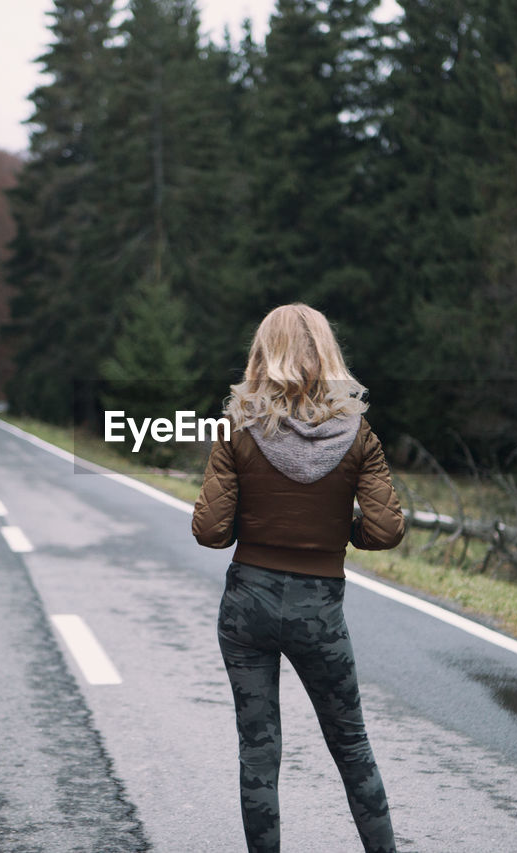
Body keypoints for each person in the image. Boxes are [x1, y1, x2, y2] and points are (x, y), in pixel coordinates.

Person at [192, 303, 404, 853]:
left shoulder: (237, 429)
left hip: (248, 605)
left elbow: (210, 531)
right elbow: (383, 531)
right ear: (328, 355)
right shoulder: (359, 436)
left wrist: (258, 525)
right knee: (352, 746)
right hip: (319, 611)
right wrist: (339, 532)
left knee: (259, 754)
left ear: (263, 356)